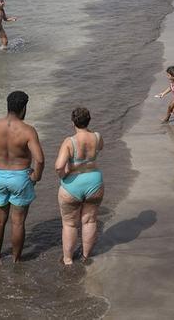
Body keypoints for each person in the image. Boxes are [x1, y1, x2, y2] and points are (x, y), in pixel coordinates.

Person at [0, 90, 44, 263]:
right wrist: (36, 176)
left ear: (8, 106)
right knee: (18, 222)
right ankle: (16, 260)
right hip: (20, 177)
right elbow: (40, 159)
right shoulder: (28, 130)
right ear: (23, 108)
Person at [54, 106, 103, 265]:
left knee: (70, 224)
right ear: (89, 120)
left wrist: (64, 175)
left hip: (73, 185)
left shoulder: (70, 141)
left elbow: (59, 166)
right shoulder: (97, 136)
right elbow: (99, 148)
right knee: (90, 220)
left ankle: (68, 259)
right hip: (94, 182)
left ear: (73, 122)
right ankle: (86, 256)